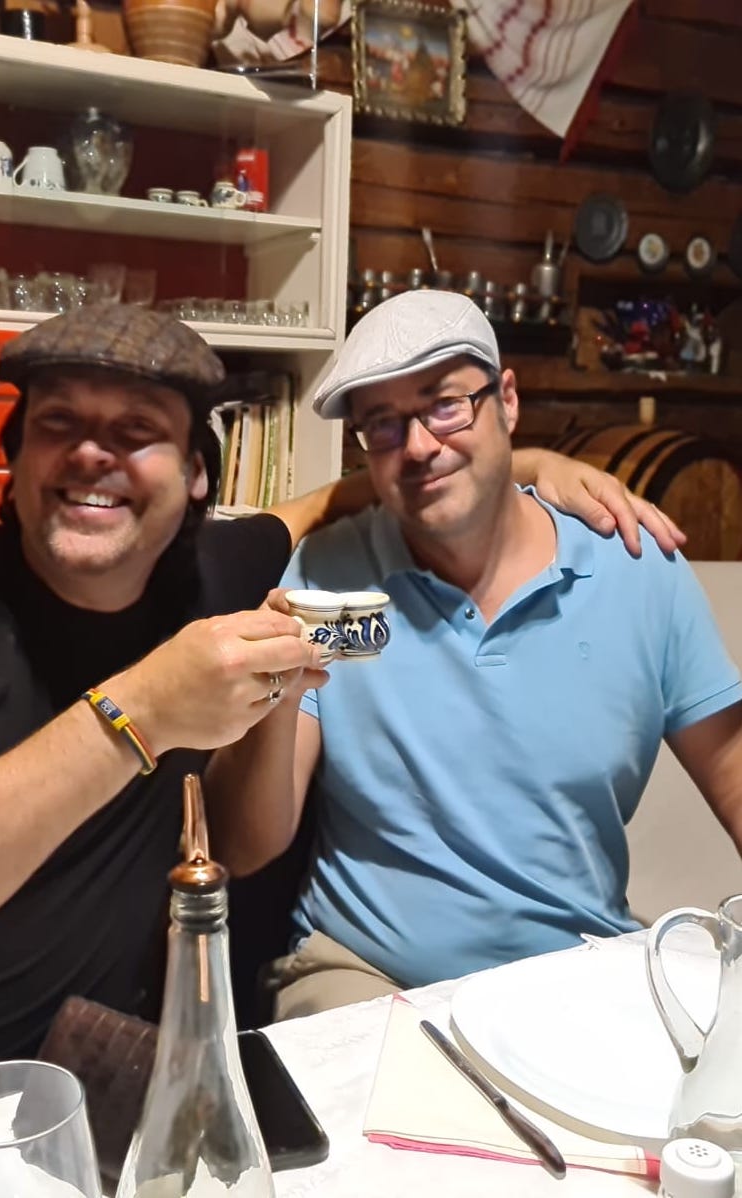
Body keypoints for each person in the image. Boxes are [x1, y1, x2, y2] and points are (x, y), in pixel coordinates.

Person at [0, 303, 683, 1107]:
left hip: (104, 1077)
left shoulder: (221, 571)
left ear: (198, 476)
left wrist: (524, 465)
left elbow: (351, 494)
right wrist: (137, 714)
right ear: (16, 454)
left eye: (137, 431)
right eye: (58, 422)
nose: (92, 453)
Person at [205, 289, 742, 1021]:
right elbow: (241, 845)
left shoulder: (636, 570)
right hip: (368, 974)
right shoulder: (328, 578)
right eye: (383, 423)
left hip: (578, 972)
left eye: (446, 405)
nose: (418, 445)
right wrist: (278, 688)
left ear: (507, 402)